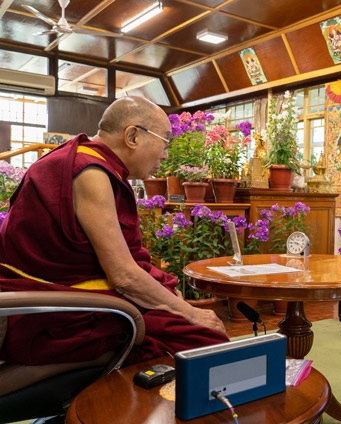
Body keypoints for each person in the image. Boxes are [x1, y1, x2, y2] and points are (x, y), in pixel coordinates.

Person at [0, 97, 228, 373]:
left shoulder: (79, 159)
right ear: (132, 135)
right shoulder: (90, 172)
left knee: (180, 311)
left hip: (59, 296)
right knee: (204, 337)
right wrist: (191, 313)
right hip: (54, 314)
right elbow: (124, 276)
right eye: (165, 142)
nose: (165, 154)